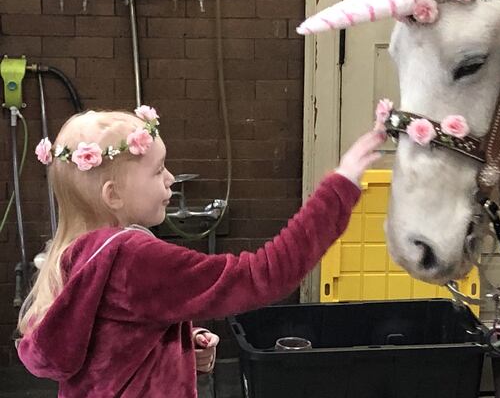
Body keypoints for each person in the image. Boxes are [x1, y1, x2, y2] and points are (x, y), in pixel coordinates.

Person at [16, 107, 385, 396]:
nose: (171, 179)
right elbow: (263, 275)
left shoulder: (79, 255)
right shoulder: (133, 258)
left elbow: (107, 346)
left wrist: (176, 344)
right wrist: (339, 188)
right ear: (113, 195)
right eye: (158, 169)